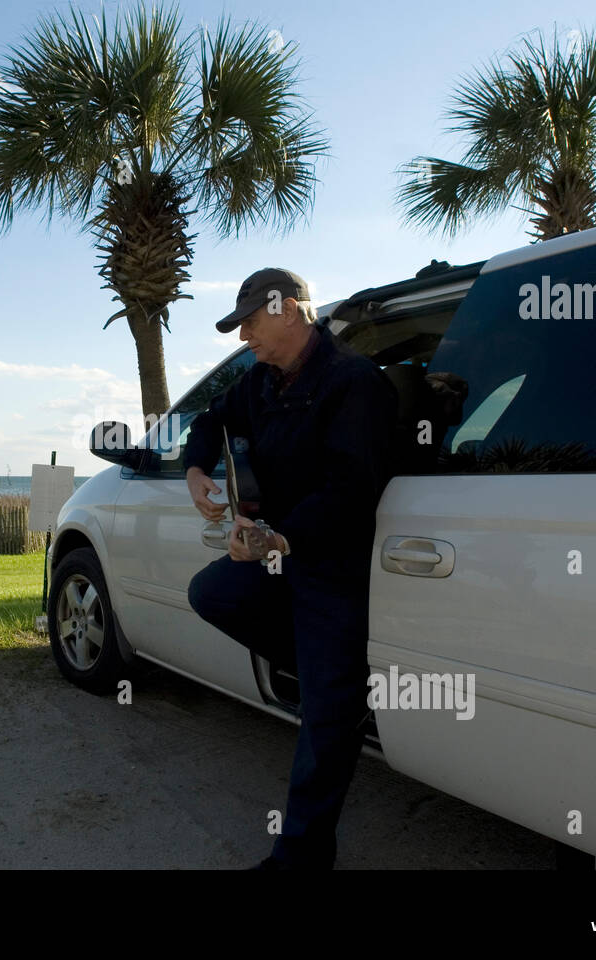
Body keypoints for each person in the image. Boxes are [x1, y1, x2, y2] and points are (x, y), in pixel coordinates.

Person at [183, 267, 398, 870]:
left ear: (288, 309)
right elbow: (210, 420)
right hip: (279, 557)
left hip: (333, 564)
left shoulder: (356, 383)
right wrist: (197, 470)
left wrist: (280, 536)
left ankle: (301, 858)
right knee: (212, 593)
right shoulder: (261, 382)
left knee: (325, 716)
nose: (243, 336)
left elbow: (352, 492)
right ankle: (333, 682)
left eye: (249, 322)